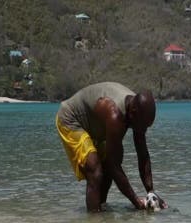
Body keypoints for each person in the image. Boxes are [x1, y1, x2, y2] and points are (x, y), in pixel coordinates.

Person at [55, 82, 166, 212]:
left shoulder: (138, 112)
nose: (143, 130)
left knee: (106, 168)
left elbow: (143, 154)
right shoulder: (115, 116)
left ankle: (101, 210)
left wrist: (151, 193)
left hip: (96, 126)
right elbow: (115, 167)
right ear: (133, 113)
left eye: (147, 126)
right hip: (71, 119)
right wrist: (136, 201)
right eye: (143, 126)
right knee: (95, 171)